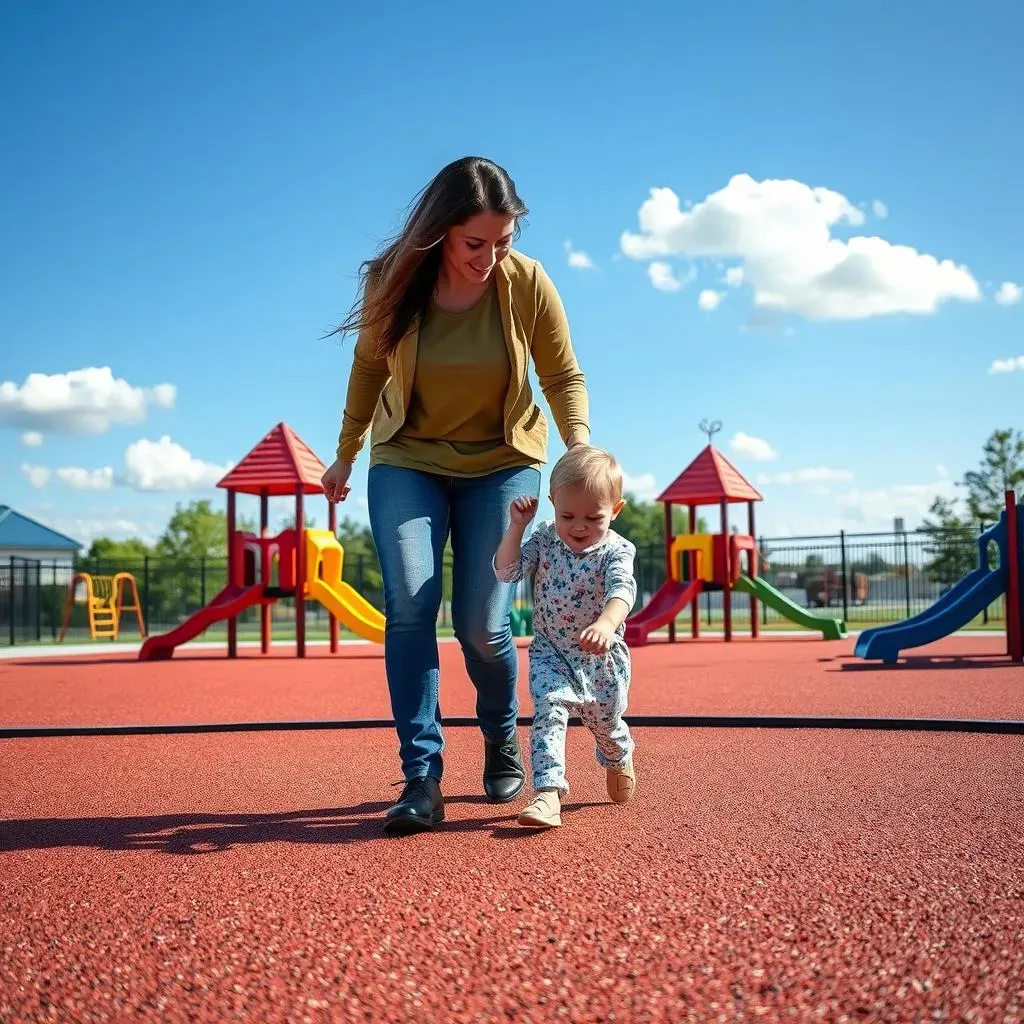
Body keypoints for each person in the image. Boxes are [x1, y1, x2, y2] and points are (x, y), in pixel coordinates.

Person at [320, 156, 591, 836]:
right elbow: (367, 371)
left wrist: (578, 445)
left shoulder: (526, 283)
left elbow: (560, 374)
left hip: (504, 462)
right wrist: (346, 452)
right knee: (410, 604)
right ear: (441, 232)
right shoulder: (395, 281)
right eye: (476, 243)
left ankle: (500, 732)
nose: (490, 257)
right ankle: (422, 776)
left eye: (503, 242)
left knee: (480, 620)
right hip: (408, 457)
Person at [493, 445, 637, 829]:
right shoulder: (544, 541)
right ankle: (548, 793)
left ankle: (618, 755)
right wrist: (517, 527)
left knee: (605, 724)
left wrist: (606, 624)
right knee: (549, 712)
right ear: (553, 503)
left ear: (616, 510)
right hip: (551, 653)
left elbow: (622, 592)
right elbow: (507, 572)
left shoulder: (616, 551)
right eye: (566, 515)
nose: (578, 526)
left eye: (594, 517)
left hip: (600, 659)